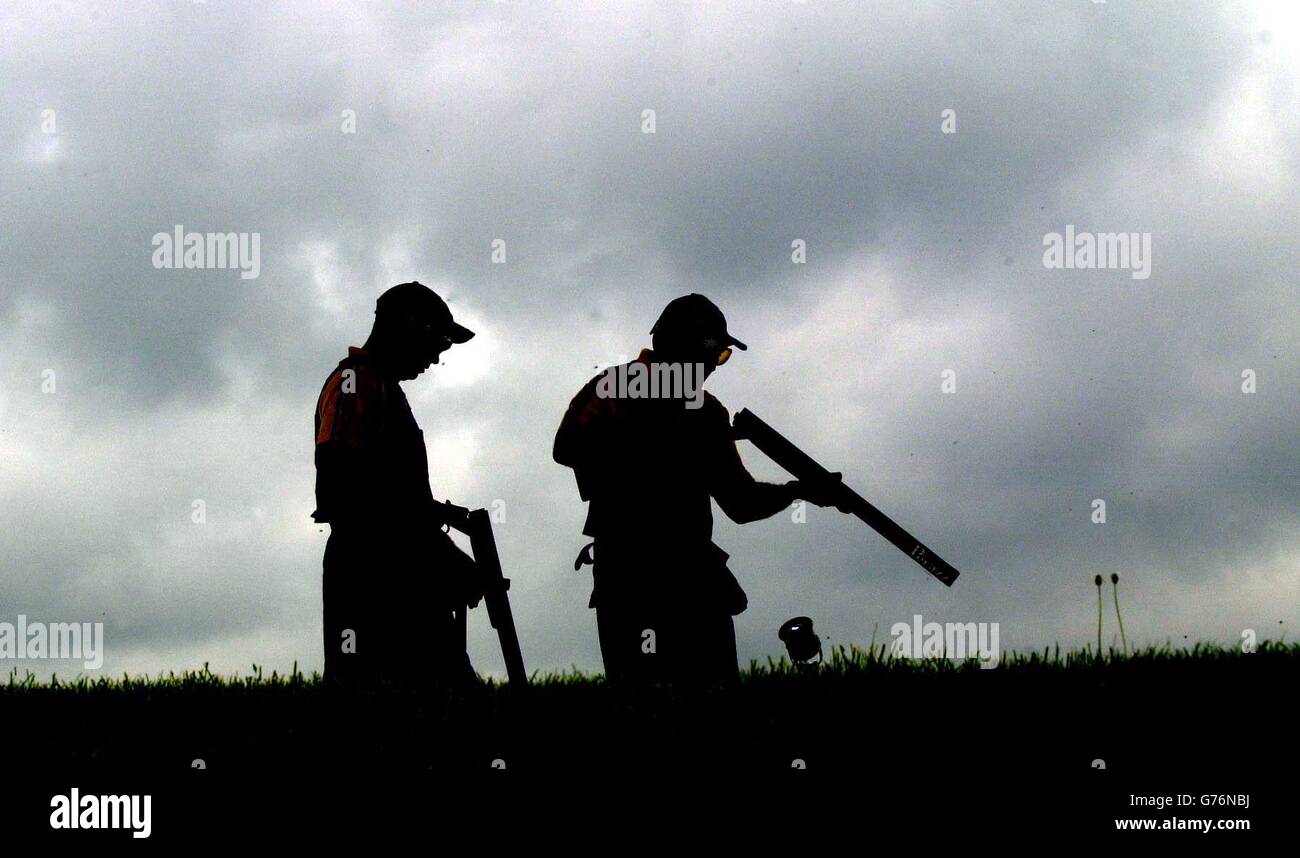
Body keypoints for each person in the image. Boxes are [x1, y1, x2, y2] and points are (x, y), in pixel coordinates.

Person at [553, 294, 846, 687]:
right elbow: (567, 447)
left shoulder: (708, 413)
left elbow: (741, 503)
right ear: (689, 348)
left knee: (716, 710)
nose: (714, 366)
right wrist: (664, 441)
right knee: (642, 706)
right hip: (632, 576)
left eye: (721, 357)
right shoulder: (616, 388)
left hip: (695, 578)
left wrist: (799, 491)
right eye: (715, 353)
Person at [312, 281, 480, 688]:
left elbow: (389, 495)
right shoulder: (356, 384)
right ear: (407, 327)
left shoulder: (384, 389)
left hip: (401, 571)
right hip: (373, 577)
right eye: (437, 340)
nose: (438, 356)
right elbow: (342, 488)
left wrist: (435, 542)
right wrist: (435, 549)